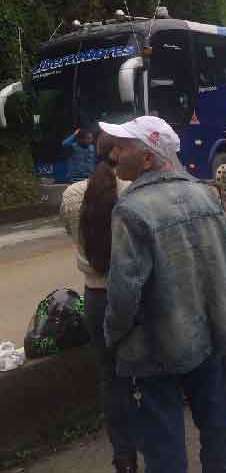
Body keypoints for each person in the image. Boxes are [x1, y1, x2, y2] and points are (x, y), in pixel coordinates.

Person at [101, 116, 226, 472]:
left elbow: (124, 291)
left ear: (148, 159)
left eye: (122, 147)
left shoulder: (131, 209)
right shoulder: (206, 194)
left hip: (154, 349)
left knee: (162, 440)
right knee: (217, 422)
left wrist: (113, 336)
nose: (114, 153)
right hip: (211, 336)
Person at [60, 133, 136, 473]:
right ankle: (160, 447)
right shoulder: (136, 191)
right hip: (136, 294)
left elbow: (72, 234)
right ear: (122, 153)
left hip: (97, 297)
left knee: (111, 378)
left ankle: (124, 457)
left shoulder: (72, 195)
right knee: (150, 372)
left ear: (96, 151)